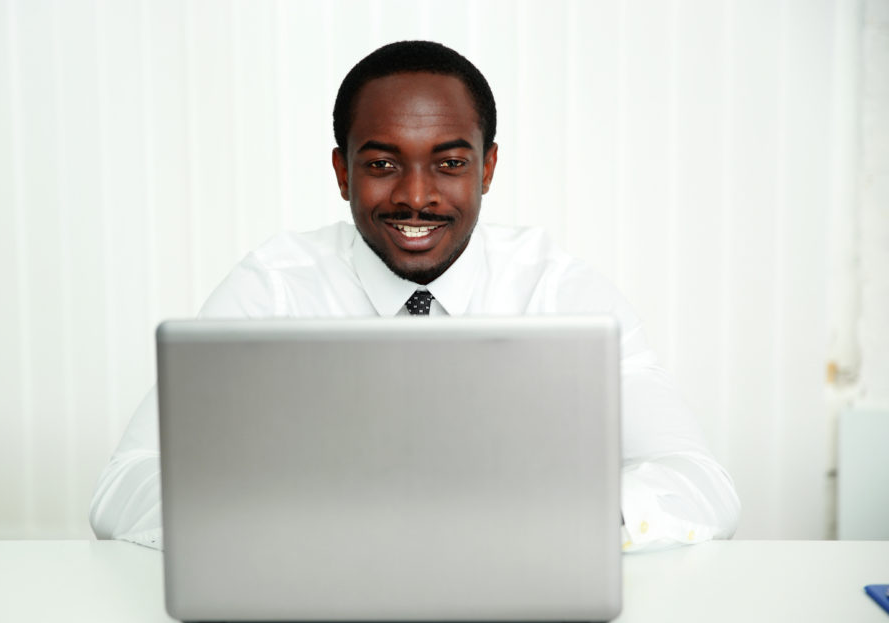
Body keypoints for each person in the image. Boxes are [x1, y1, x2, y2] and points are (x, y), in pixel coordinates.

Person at [90, 40, 740, 553]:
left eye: (450, 163)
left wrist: (529, 520)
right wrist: (288, 516)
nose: (416, 195)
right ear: (342, 172)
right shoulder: (274, 285)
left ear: (487, 167)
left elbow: (702, 485)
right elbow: (123, 485)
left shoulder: (560, 292)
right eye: (381, 164)